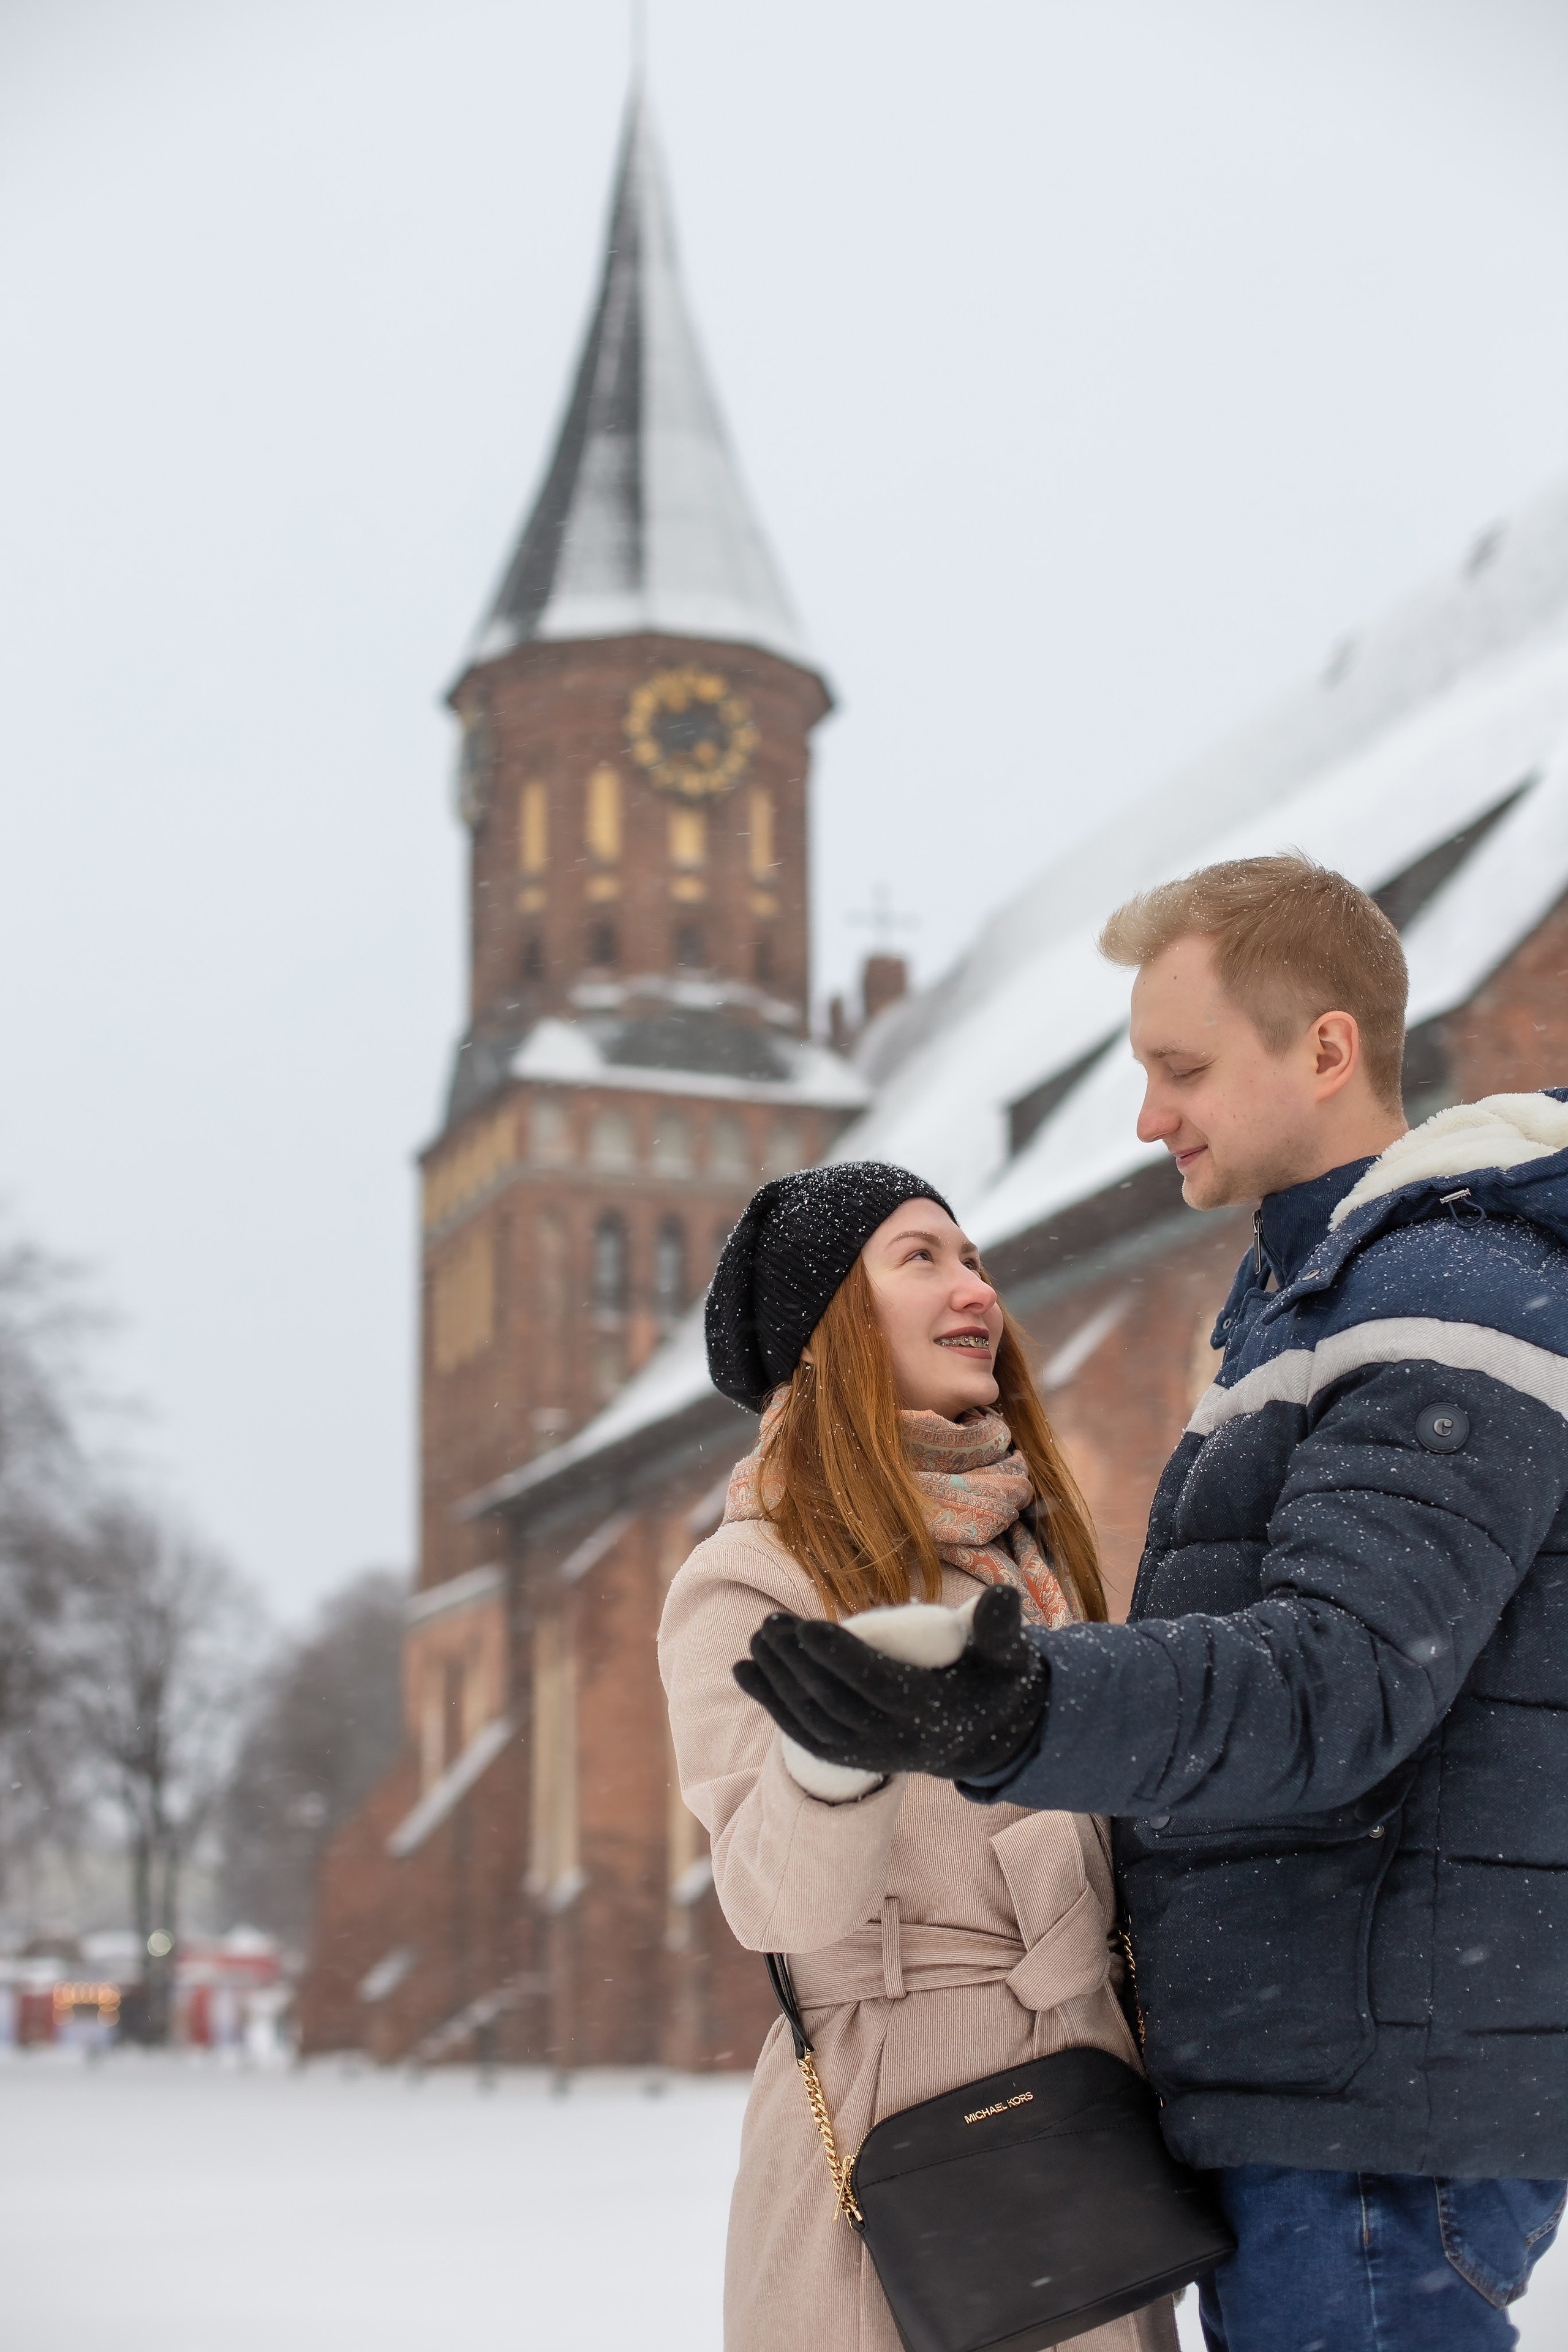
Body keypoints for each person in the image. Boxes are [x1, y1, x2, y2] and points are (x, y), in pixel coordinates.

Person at [739, 856, 1568, 2352]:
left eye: (1178, 1068)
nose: (1143, 1116)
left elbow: (1333, 1681)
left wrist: (1020, 1709)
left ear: (1322, 1049)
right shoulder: (1303, 1306)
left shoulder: (1438, 1292)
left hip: (1369, 2095)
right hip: (1320, 2075)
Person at [659, 1163, 1178, 2352]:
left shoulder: (1026, 1547)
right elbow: (776, 1901)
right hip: (913, 2144)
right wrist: (835, 1758)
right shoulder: (752, 1577)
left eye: (974, 1258)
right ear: (834, 1323)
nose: (973, 1288)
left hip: (1088, 2126)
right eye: (921, 1258)